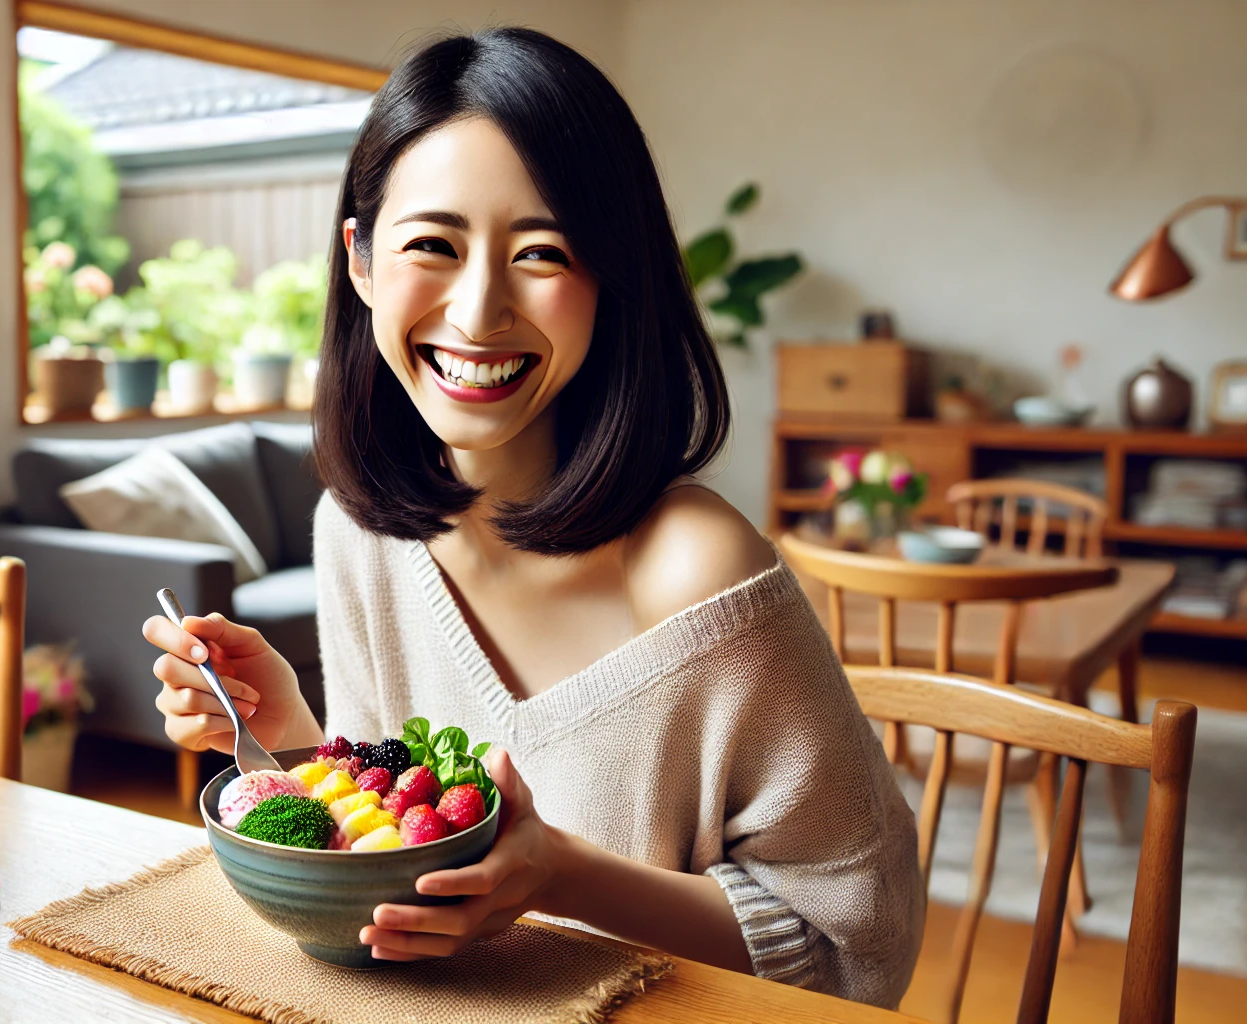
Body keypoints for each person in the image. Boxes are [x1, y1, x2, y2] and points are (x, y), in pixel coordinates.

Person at [143, 27, 922, 1008]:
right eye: (432, 244)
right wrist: (287, 729)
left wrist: (560, 873)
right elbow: (391, 847)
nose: (477, 313)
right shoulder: (359, 530)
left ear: (612, 282)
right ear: (361, 261)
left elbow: (860, 940)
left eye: (542, 252)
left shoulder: (698, 570)